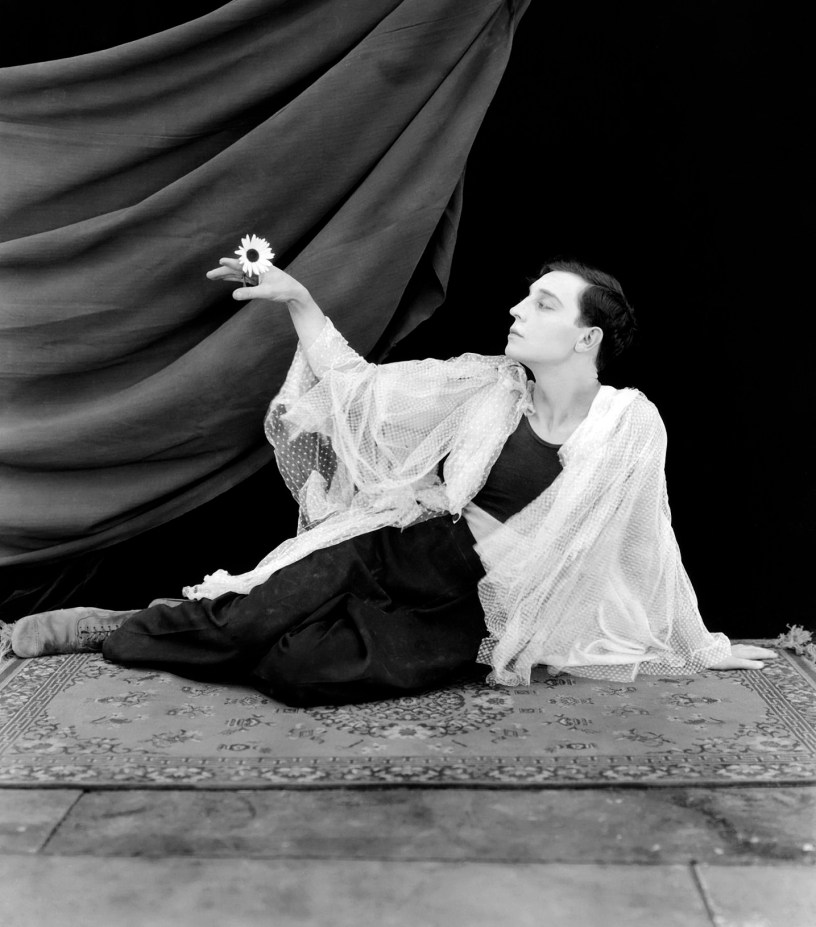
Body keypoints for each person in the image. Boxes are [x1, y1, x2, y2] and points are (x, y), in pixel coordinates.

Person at [3, 257, 776, 705]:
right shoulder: (490, 386)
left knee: (305, 671)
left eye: (542, 303)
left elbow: (651, 539)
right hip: (395, 546)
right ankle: (110, 625)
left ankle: (229, 624)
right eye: (525, 296)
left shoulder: (629, 423)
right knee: (246, 622)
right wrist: (300, 299)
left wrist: (698, 644)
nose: (517, 309)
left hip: (467, 606)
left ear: (587, 337)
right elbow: (363, 390)